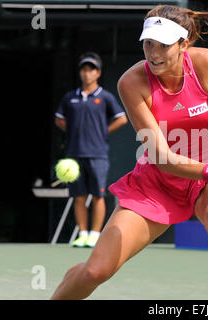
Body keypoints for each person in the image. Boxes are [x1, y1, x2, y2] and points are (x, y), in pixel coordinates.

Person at [51, 5, 208, 300]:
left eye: (163, 45)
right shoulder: (131, 82)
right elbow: (163, 158)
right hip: (159, 181)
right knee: (95, 271)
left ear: (184, 44)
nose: (153, 54)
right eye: (148, 44)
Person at [54, 52, 128, 248]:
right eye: (84, 70)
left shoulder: (105, 97)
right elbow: (59, 119)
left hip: (98, 154)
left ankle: (95, 235)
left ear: (98, 73)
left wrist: (103, 131)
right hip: (74, 155)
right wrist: (73, 131)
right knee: (78, 197)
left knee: (98, 195)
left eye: (91, 70)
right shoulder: (70, 98)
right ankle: (83, 234)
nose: (87, 74)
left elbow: (122, 118)